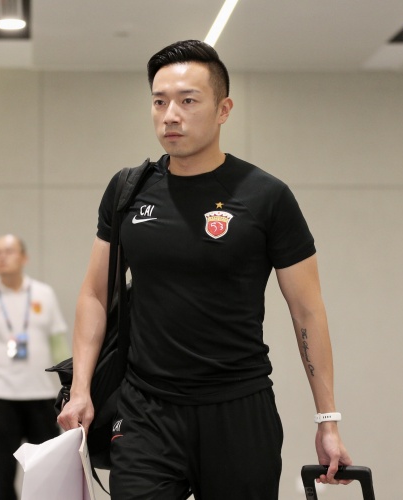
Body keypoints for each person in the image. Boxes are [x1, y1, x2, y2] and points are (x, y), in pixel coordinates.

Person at [57, 40, 351, 499]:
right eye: (159, 102)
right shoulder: (128, 191)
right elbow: (95, 294)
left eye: (188, 101)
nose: (170, 115)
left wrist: (327, 420)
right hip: (146, 412)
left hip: (238, 411)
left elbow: (307, 311)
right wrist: (81, 391)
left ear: (223, 109)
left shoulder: (266, 197)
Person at [0, 234, 70, 500]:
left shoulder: (44, 294)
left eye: (8, 251)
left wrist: (72, 390)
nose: (2, 257)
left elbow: (58, 345)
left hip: (41, 396)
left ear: (24, 257)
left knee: (48, 473)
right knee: (3, 474)